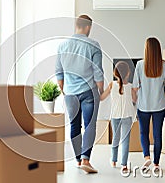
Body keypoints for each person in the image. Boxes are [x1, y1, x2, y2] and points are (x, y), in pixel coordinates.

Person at [55, 15, 104, 174]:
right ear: (88, 27)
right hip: (89, 91)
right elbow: (98, 72)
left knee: (74, 125)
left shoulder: (62, 46)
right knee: (89, 125)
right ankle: (85, 159)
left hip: (70, 93)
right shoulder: (93, 45)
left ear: (76, 26)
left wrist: (64, 90)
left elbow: (59, 72)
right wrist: (101, 90)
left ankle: (78, 159)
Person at [132, 37, 165, 172]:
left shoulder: (139, 65)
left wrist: (134, 101)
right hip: (160, 105)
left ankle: (147, 157)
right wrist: (162, 91)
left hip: (143, 105)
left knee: (143, 132)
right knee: (157, 134)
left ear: (146, 50)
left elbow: (135, 86)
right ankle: (156, 164)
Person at [100, 61, 136, 176]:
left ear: (115, 73)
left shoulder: (111, 85)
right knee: (125, 141)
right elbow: (135, 100)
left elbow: (101, 98)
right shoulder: (130, 87)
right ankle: (124, 165)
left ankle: (114, 160)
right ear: (128, 73)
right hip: (127, 116)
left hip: (115, 117)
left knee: (116, 138)